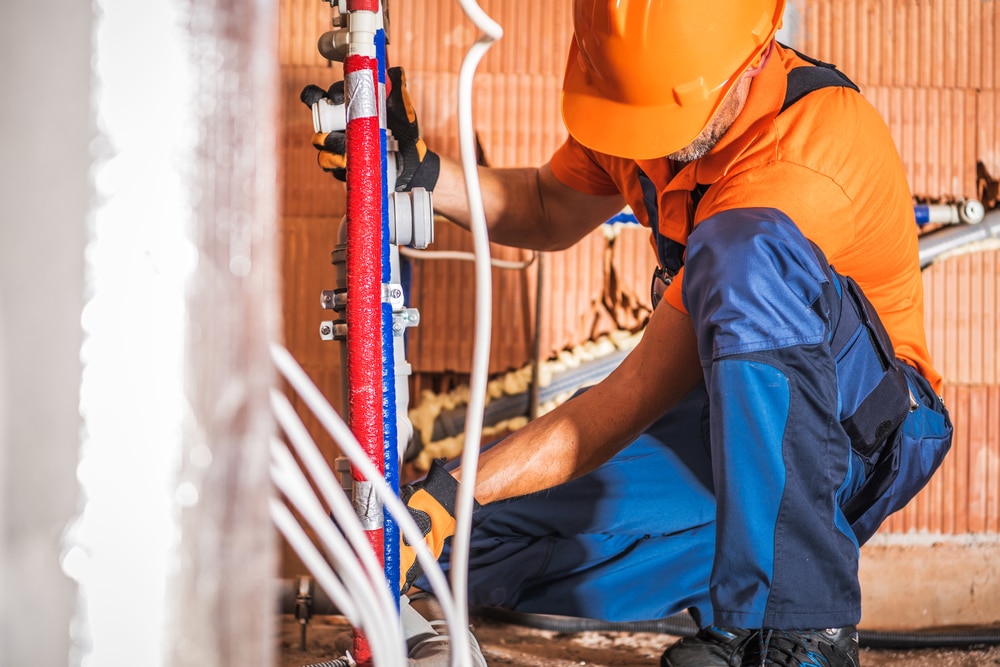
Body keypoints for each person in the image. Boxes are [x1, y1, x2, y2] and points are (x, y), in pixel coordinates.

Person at [303, 1, 954, 665]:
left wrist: (450, 488)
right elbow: (547, 205)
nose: (650, 145)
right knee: (458, 536)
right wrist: (424, 175)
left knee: (742, 254)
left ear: (752, 58)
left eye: (665, 122)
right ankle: (738, 604)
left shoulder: (803, 156)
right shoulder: (639, 103)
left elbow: (630, 394)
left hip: (865, 431)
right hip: (726, 425)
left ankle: (798, 627)